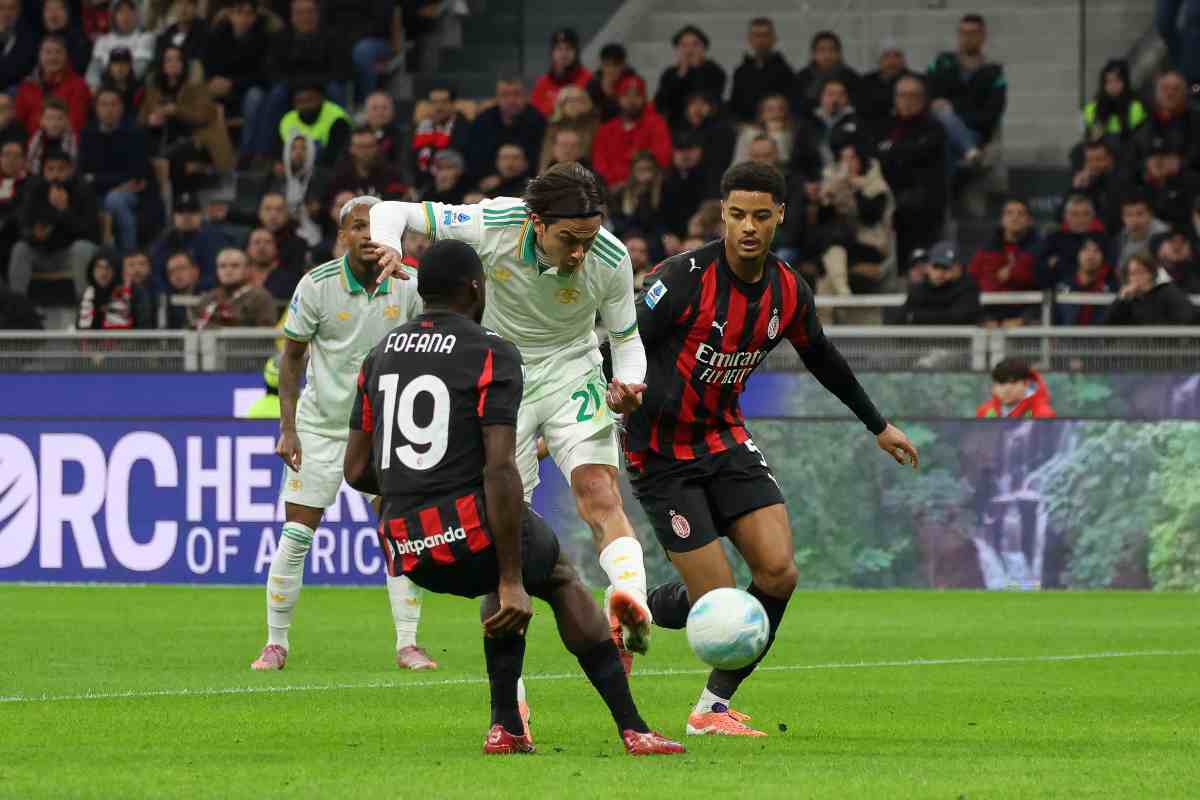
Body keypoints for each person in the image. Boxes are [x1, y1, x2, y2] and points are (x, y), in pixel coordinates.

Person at [343, 238, 683, 757]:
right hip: (470, 527)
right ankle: (633, 727)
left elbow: (357, 470)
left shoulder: (379, 356)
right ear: (477, 290)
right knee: (555, 575)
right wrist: (509, 579)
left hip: (407, 545)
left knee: (510, 558)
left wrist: (418, 491)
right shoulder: (492, 351)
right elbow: (501, 469)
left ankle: (507, 727)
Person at [621, 161, 916, 736]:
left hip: (725, 440)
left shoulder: (786, 289)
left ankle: (712, 708)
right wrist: (610, 395)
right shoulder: (683, 278)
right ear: (722, 215)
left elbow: (822, 356)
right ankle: (629, 606)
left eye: (761, 215)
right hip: (660, 454)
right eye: (737, 216)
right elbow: (623, 342)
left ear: (779, 215)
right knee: (719, 600)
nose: (748, 227)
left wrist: (877, 424)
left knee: (778, 574)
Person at [370, 163, 659, 671]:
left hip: (574, 369)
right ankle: (513, 702)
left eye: (588, 240)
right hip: (502, 375)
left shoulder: (609, 257)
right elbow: (391, 211)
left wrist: (630, 384)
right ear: (536, 222)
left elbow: (626, 340)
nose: (579, 253)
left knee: (598, 491)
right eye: (569, 239)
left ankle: (628, 602)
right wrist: (389, 244)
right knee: (505, 530)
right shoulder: (493, 223)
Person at [250, 195, 431, 673]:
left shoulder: (408, 281)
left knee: (398, 535)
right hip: (322, 428)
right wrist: (288, 429)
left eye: (375, 225)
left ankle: (408, 644)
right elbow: (291, 359)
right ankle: (275, 643)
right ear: (341, 236)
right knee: (296, 534)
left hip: (386, 430)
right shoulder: (317, 284)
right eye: (356, 226)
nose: (368, 235)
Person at [812, 140, 896, 324]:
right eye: (843, 158)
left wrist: (853, 188)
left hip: (871, 247)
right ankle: (841, 296)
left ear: (862, 161)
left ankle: (825, 326)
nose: (847, 163)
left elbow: (870, 216)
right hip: (842, 248)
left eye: (852, 158)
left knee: (829, 262)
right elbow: (822, 220)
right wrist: (828, 197)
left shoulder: (876, 186)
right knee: (830, 254)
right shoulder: (836, 184)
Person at [875, 75, 947, 274]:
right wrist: (901, 153)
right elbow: (877, 157)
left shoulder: (933, 127)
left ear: (923, 99)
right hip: (888, 198)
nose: (907, 100)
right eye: (902, 95)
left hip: (922, 204)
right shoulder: (884, 125)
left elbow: (919, 155)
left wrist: (893, 151)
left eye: (914, 95)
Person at [7, 149, 100, 299]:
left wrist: (64, 211)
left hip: (69, 255)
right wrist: (34, 235)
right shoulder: (35, 190)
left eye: (61, 169)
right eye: (50, 169)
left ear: (70, 170)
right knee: (20, 249)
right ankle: (18, 308)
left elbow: (91, 233)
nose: (56, 174)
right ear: (43, 171)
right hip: (41, 253)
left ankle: (85, 309)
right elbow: (23, 226)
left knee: (82, 248)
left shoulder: (83, 191)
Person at [926, 13, 1007, 169]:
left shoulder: (994, 73)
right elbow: (926, 92)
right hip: (936, 128)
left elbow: (992, 114)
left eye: (973, 33)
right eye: (963, 33)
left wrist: (953, 113)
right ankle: (970, 151)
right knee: (940, 125)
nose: (967, 38)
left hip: (974, 131)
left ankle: (968, 151)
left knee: (946, 136)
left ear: (983, 36)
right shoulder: (942, 62)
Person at [203, 0, 275, 165]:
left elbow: (263, 75)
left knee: (255, 97)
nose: (243, 18)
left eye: (248, 13)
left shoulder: (264, 38)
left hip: (249, 89)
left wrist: (233, 83)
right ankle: (210, 157)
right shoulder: (217, 35)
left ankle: (247, 153)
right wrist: (213, 82)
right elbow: (209, 67)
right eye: (238, 12)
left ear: (255, 17)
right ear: (230, 14)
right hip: (222, 90)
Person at [79, 88, 151, 253]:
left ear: (121, 108)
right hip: (96, 192)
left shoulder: (135, 133)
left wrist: (96, 179)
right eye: (103, 104)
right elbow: (83, 173)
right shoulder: (87, 134)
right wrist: (113, 181)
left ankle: (128, 255)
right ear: (96, 108)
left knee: (114, 199)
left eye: (113, 104)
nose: (109, 109)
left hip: (131, 193)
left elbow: (137, 174)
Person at [968, 198, 1040, 326]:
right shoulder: (985, 250)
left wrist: (1013, 273)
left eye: (1021, 214)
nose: (1015, 218)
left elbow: (1042, 279)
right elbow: (972, 281)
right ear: (1002, 219)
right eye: (1009, 213)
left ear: (1030, 220)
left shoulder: (1041, 248)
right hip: (990, 313)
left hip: (1028, 314)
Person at [592, 74, 671, 189]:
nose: (631, 100)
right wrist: (613, 183)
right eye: (626, 95)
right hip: (611, 190)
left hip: (646, 187)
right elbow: (599, 164)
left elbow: (662, 158)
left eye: (637, 95)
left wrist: (632, 182)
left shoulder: (657, 125)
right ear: (618, 99)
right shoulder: (605, 130)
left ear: (644, 98)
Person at [466, 76, 545, 188]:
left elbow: (539, 157)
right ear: (497, 98)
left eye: (517, 94)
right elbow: (474, 157)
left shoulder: (537, 120)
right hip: (489, 181)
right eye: (505, 95)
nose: (511, 100)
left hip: (527, 181)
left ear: (526, 97)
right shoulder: (482, 121)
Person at [149, 192, 234, 290]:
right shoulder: (163, 241)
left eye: (192, 211)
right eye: (181, 211)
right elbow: (155, 274)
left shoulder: (217, 239)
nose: (186, 216)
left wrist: (193, 287)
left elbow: (220, 274)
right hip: (170, 295)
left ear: (201, 215)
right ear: (174, 216)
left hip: (207, 294)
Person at [14, 35, 91, 135]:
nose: (53, 57)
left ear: (66, 56)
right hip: (31, 145)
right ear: (40, 56)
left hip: (66, 144)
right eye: (48, 52)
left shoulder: (79, 85)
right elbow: (18, 123)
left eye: (58, 52)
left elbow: (76, 123)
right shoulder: (27, 86)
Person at [654, 25, 726, 128]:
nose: (689, 49)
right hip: (676, 125)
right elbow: (661, 103)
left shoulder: (715, 71)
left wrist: (696, 69)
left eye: (695, 44)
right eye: (684, 45)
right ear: (677, 49)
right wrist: (681, 73)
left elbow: (709, 100)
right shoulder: (670, 73)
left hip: (707, 125)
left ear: (704, 48)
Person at [896, 240, 981, 325]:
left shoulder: (968, 288)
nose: (940, 273)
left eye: (946, 267)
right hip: (923, 338)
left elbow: (958, 317)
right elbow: (900, 317)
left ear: (958, 268)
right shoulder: (918, 289)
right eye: (936, 266)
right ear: (928, 267)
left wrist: (915, 317)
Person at [728, 18, 794, 124]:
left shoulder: (786, 72)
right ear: (750, 39)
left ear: (774, 39)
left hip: (777, 127)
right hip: (747, 128)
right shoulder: (741, 72)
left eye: (765, 35)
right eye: (756, 35)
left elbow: (791, 106)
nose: (761, 40)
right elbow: (735, 105)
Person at [1103, 249, 1196, 325]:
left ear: (1151, 273)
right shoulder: (1126, 298)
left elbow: (1188, 316)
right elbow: (1107, 324)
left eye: (1141, 272)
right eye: (1132, 274)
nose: (1137, 278)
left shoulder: (1167, 291)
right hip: (1132, 346)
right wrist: (1121, 300)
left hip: (1165, 345)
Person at [1036, 193, 1109, 289]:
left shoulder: (1103, 240)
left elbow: (1107, 270)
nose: (1080, 219)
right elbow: (1041, 270)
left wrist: (1059, 264)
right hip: (1059, 295)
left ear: (1093, 216)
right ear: (1065, 216)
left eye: (1086, 214)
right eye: (1075, 214)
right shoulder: (1053, 240)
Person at [192, 247, 276, 329]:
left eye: (235, 266)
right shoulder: (208, 298)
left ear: (247, 270)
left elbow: (266, 336)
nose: (228, 271)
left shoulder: (261, 298)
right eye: (222, 266)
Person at [1132, 71, 1200, 169]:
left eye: (1176, 89)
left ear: (1184, 94)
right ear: (1156, 94)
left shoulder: (1196, 123)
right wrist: (1145, 166)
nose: (1170, 93)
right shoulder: (1143, 128)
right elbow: (1130, 163)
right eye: (1165, 89)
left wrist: (1182, 164)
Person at [324, 126, 408, 205]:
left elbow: (399, 203)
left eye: (370, 146)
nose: (366, 152)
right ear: (351, 149)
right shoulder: (339, 177)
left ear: (377, 147)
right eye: (361, 147)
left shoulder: (391, 175)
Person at [278, 82, 352, 170]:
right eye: (300, 101)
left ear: (320, 98)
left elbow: (337, 157)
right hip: (294, 170)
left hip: (326, 169)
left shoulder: (337, 119)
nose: (304, 105)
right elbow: (280, 154)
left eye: (309, 100)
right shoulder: (287, 120)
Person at [411, 84, 471, 186]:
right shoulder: (420, 128)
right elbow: (409, 161)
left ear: (453, 104)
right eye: (434, 102)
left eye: (444, 102)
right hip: (421, 186)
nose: (439, 107)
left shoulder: (465, 128)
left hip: (454, 186)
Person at [672, 91, 736, 186]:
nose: (697, 108)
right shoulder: (679, 131)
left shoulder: (722, 130)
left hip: (710, 183)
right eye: (693, 103)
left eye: (703, 104)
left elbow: (719, 163)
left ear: (712, 107)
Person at [1052, 233, 1117, 325]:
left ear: (1103, 256)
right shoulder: (1062, 287)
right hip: (1067, 338)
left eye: (1096, 251)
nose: (1090, 256)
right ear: (1078, 254)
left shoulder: (1112, 288)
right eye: (1085, 250)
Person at [792, 31, 860, 119]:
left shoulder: (851, 77)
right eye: (822, 50)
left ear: (839, 53)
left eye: (832, 50)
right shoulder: (802, 77)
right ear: (814, 54)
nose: (827, 55)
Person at [85, 0, 153, 88]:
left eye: (130, 11)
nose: (125, 15)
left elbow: (139, 69)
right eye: (120, 11)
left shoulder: (146, 37)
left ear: (137, 14)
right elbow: (93, 71)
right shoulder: (102, 40)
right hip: (104, 88)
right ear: (113, 16)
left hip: (132, 87)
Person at [1083, 59, 1146, 152]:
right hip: (1100, 154)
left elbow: (1140, 140)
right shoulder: (1091, 108)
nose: (1113, 86)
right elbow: (1090, 139)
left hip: (1128, 153)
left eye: (1117, 81)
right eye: (1109, 82)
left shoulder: (1136, 108)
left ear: (1125, 83)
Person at [77, 249, 147, 329]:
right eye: (98, 267)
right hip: (92, 341)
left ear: (116, 270)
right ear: (91, 270)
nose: (103, 273)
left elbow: (143, 328)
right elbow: (79, 329)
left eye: (108, 268)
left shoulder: (134, 292)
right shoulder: (87, 294)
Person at [538, 85, 601, 175]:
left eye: (578, 100)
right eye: (569, 100)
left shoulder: (594, 125)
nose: (574, 104)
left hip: (585, 169)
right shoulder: (554, 125)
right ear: (561, 104)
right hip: (556, 169)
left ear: (587, 103)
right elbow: (547, 153)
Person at [530, 28, 591, 119]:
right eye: (559, 49)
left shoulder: (588, 80)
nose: (563, 53)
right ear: (552, 53)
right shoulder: (543, 83)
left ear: (576, 52)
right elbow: (533, 115)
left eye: (568, 48)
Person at [859, 38, 913, 131]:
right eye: (886, 56)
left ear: (904, 60)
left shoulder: (915, 81)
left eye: (897, 56)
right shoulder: (866, 82)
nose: (892, 61)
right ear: (879, 60)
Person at [609, 150, 665, 240]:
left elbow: (652, 223)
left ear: (655, 170)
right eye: (640, 169)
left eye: (648, 169)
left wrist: (643, 196)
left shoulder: (663, 191)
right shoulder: (621, 193)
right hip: (628, 238)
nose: (644, 173)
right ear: (633, 171)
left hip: (652, 239)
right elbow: (617, 222)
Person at [1069, 138, 1121, 233]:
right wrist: (1076, 189)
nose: (1094, 165)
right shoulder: (1082, 182)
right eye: (1089, 160)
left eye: (1099, 159)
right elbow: (1061, 217)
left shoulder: (1121, 183)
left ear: (1110, 160)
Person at [976, 358, 1056, 418]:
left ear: (1025, 384)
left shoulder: (1043, 414)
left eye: (1013, 383)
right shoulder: (985, 411)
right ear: (994, 386)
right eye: (1001, 383)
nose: (1006, 389)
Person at [733, 94, 795, 169]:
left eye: (781, 109)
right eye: (770, 109)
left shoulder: (789, 134)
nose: (777, 113)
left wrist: (778, 134)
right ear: (762, 114)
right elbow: (738, 162)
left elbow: (784, 161)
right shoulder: (749, 133)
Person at [258, 191, 311, 271]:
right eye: (267, 209)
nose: (273, 215)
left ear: (287, 214)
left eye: (279, 210)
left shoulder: (299, 244)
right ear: (259, 213)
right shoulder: (250, 239)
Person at [1115, 191, 1169, 267]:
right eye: (1129, 215)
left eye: (1140, 214)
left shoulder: (1163, 234)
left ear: (1150, 214)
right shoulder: (1123, 234)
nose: (1134, 220)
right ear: (1122, 217)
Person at [26, 98, 78, 176]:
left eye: (59, 119)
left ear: (67, 120)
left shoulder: (73, 140)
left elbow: (73, 166)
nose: (54, 124)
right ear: (41, 120)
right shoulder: (36, 138)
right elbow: (29, 163)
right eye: (49, 118)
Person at [246, 226, 300, 301]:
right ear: (248, 249)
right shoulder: (239, 276)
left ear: (276, 248)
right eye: (256, 242)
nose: (262, 247)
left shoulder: (290, 279)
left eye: (268, 242)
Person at [586, 43, 637, 122]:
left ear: (623, 66)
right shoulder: (593, 85)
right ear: (601, 65)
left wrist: (612, 96)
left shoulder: (632, 82)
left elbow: (634, 114)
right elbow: (592, 117)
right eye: (607, 65)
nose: (611, 70)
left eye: (615, 65)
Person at [154, 0, 207, 68]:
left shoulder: (204, 32)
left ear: (196, 7)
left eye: (188, 4)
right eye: (179, 3)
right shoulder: (167, 33)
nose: (183, 8)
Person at [0, 0, 36, 93]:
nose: (6, 13)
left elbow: (19, 71)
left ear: (19, 11)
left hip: (14, 91)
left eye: (11, 8)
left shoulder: (29, 38)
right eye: (1, 8)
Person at [362, 91, 405, 167]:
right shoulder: (356, 136)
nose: (380, 112)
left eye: (385, 108)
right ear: (366, 111)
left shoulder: (403, 137)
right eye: (375, 108)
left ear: (393, 112)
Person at [162, 249, 202, 329]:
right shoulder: (166, 302)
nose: (177, 274)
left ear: (195, 271)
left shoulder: (210, 295)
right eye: (171, 271)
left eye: (181, 268)